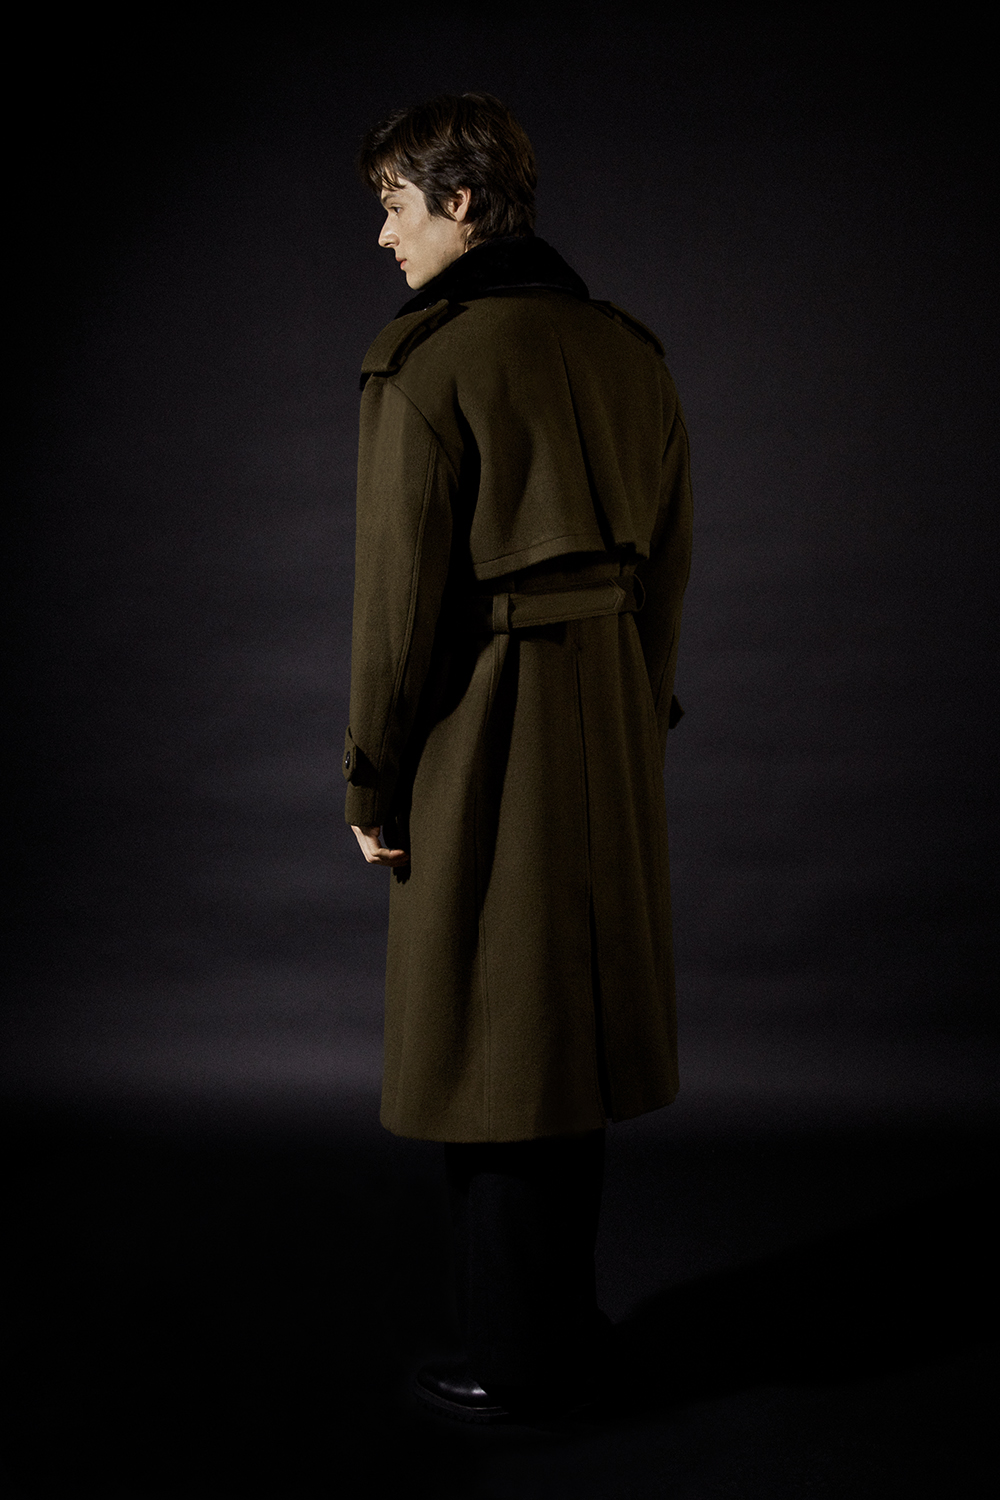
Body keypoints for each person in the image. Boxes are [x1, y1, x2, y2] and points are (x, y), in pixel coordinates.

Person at [344, 93, 692, 1422]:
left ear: (461, 201)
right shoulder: (630, 352)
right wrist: (634, 716)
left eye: (395, 205)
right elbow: (668, 570)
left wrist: (374, 779)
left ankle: (515, 1352)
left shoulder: (425, 365)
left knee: (490, 1037)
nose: (385, 237)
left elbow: (397, 614)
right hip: (608, 719)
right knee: (568, 1032)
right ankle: (569, 1330)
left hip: (481, 727)